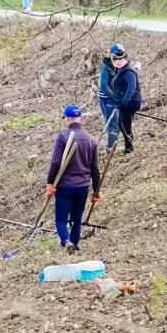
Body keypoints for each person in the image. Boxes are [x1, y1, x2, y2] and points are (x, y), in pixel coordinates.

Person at [46, 105, 102, 252]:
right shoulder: (91, 139)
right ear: (81, 118)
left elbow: (56, 162)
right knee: (77, 219)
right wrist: (96, 190)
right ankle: (75, 245)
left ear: (67, 118)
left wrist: (50, 182)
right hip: (83, 186)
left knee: (60, 220)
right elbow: (95, 169)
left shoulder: (62, 137)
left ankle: (66, 241)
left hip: (65, 186)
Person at [111, 48, 142, 154]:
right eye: (116, 59)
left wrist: (125, 100)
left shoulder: (128, 71)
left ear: (125, 59)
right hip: (124, 102)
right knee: (122, 124)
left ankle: (129, 147)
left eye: (121, 58)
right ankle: (128, 146)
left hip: (130, 102)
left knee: (124, 124)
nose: (118, 61)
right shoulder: (120, 71)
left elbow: (132, 86)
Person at [97, 45, 123, 151]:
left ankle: (112, 147)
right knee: (114, 125)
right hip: (107, 100)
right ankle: (110, 150)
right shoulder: (106, 67)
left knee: (117, 125)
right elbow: (103, 85)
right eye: (116, 56)